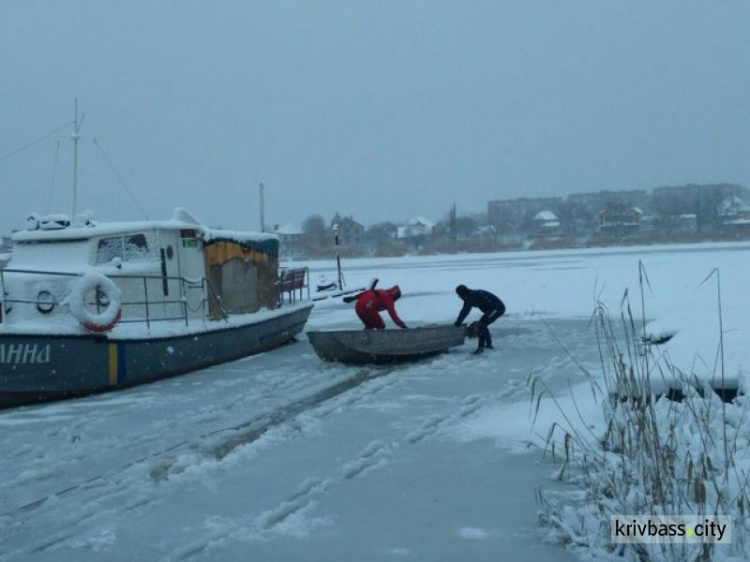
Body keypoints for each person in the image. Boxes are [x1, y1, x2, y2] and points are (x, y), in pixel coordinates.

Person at [453, 285, 505, 353]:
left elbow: (465, 311)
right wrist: (458, 321)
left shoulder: (471, 296)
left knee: (481, 325)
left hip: (497, 308)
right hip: (491, 309)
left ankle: (482, 347)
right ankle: (488, 345)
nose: (459, 297)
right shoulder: (470, 296)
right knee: (482, 324)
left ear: (463, 293)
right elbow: (464, 310)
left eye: (459, 295)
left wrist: (458, 322)